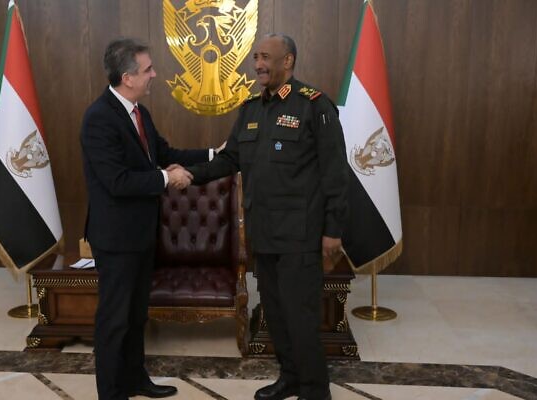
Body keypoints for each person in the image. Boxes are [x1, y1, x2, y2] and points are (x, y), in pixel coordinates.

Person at [186, 33, 349, 400]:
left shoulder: (314, 106)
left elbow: (335, 173)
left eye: (266, 57)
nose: (258, 64)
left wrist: (333, 230)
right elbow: (231, 160)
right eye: (256, 57)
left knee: (301, 318)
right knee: (274, 315)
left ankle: (314, 391)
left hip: (300, 236)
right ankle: (289, 378)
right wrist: (190, 175)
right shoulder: (251, 109)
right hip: (263, 234)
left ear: (288, 61)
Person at [80, 38, 218, 400]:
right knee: (114, 320)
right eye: (148, 69)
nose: (155, 74)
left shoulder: (139, 112)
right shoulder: (99, 119)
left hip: (141, 234)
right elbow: (118, 181)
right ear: (128, 77)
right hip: (115, 238)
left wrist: (214, 155)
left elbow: (165, 152)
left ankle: (135, 378)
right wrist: (166, 178)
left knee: (137, 315)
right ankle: (112, 393)